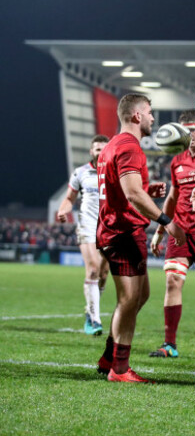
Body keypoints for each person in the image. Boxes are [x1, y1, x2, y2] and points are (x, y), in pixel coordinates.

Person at [95, 93, 186, 383]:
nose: (152, 117)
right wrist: (166, 221)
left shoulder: (113, 144)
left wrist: (148, 189)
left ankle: (110, 356)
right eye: (149, 112)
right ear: (136, 116)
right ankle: (119, 369)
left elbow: (127, 188)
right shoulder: (130, 146)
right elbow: (132, 194)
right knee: (129, 299)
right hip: (121, 232)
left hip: (117, 228)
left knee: (139, 296)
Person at [148, 110, 195, 358]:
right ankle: (169, 344)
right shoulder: (177, 160)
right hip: (180, 231)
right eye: (184, 132)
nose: (188, 137)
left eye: (191, 131)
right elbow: (172, 196)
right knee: (172, 281)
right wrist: (159, 230)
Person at [56, 135, 110, 336]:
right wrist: (63, 210)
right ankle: (94, 320)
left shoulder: (115, 172)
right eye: (97, 149)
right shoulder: (80, 173)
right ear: (91, 151)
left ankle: (90, 309)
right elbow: (69, 198)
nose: (100, 152)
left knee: (104, 274)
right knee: (93, 269)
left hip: (109, 228)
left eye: (104, 149)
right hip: (87, 226)